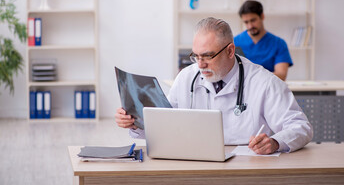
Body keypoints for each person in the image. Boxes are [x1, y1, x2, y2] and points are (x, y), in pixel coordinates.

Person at [115, 17, 313, 155]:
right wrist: (135, 121)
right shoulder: (187, 78)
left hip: (247, 168)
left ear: (230, 51)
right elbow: (166, 126)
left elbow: (301, 127)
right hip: (195, 162)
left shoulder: (264, 82)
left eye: (208, 56)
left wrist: (275, 142)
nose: (200, 64)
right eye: (196, 56)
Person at [234, 0, 292, 81]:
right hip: (242, 92)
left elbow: (281, 75)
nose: (250, 26)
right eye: (246, 22)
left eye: (253, 20)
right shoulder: (234, 43)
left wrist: (249, 76)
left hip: (269, 90)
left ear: (262, 16)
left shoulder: (279, 44)